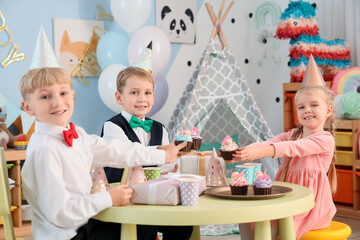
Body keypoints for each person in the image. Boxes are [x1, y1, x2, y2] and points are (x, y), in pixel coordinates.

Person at [19, 67, 187, 240]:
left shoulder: (77, 135)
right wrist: (108, 198)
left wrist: (161, 154)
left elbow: (116, 151)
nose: (57, 102)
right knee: (141, 228)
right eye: (45, 96)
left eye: (63, 93)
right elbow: (61, 213)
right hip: (67, 234)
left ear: (72, 95)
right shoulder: (45, 149)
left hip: (84, 222)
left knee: (176, 226)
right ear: (28, 107)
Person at [228, 55, 337, 240]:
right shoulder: (293, 134)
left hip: (309, 205)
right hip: (287, 198)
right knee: (247, 217)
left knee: (271, 229)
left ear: (328, 110)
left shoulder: (325, 139)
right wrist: (245, 152)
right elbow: (270, 142)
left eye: (314, 105)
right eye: (301, 107)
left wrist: (259, 152)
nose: (307, 110)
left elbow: (294, 148)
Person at [102, 66, 193, 240]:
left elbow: (168, 164)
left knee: (183, 224)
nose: (142, 99)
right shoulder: (112, 126)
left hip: (154, 197)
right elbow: (128, 154)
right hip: (123, 198)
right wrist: (163, 152)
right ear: (119, 97)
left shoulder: (159, 128)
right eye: (134, 92)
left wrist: (172, 168)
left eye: (148, 93)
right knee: (145, 229)